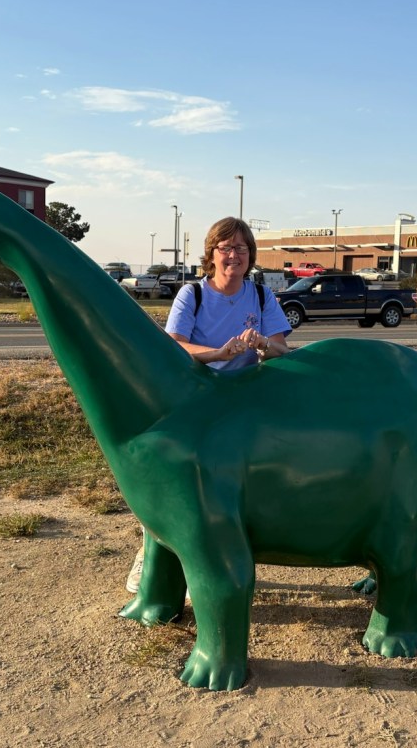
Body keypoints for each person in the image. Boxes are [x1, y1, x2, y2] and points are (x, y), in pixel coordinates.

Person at [125, 217, 292, 594]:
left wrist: (263, 344)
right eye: (226, 248)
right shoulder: (193, 295)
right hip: (197, 400)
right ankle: (151, 554)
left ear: (250, 255)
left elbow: (282, 350)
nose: (234, 255)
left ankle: (223, 557)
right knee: (176, 476)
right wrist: (218, 353)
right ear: (212, 254)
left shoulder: (262, 296)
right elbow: (173, 346)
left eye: (241, 248)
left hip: (245, 401)